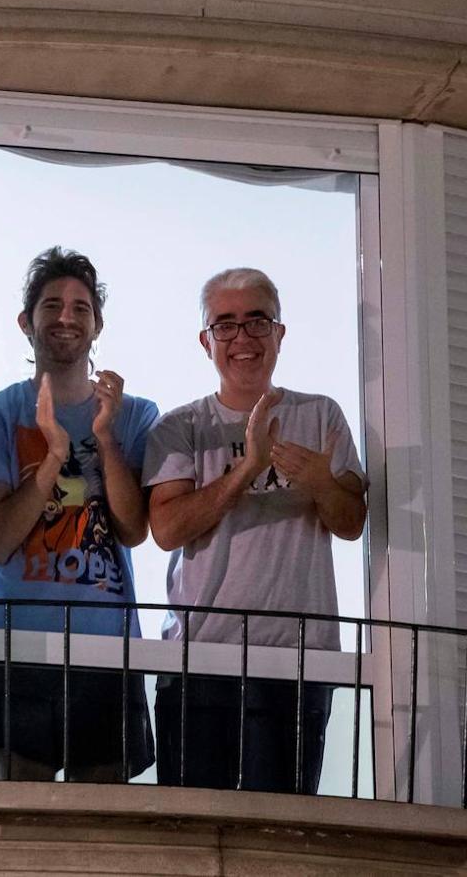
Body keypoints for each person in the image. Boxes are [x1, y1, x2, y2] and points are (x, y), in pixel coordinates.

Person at [143, 266, 367, 794]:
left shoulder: (321, 414)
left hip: (297, 662)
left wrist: (318, 482)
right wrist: (246, 469)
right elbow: (167, 530)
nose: (242, 338)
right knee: (194, 832)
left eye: (256, 321)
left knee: (279, 833)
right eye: (225, 325)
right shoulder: (179, 426)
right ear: (206, 342)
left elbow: (351, 523)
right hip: (197, 661)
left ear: (279, 333)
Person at [0, 246, 158, 782]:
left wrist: (103, 437)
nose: (66, 317)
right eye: (52, 304)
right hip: (15, 645)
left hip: (106, 648)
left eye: (81, 307)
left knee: (101, 830)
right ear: (25, 322)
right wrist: (54, 455)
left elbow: (133, 529)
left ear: (96, 325)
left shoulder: (135, 415)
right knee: (15, 826)